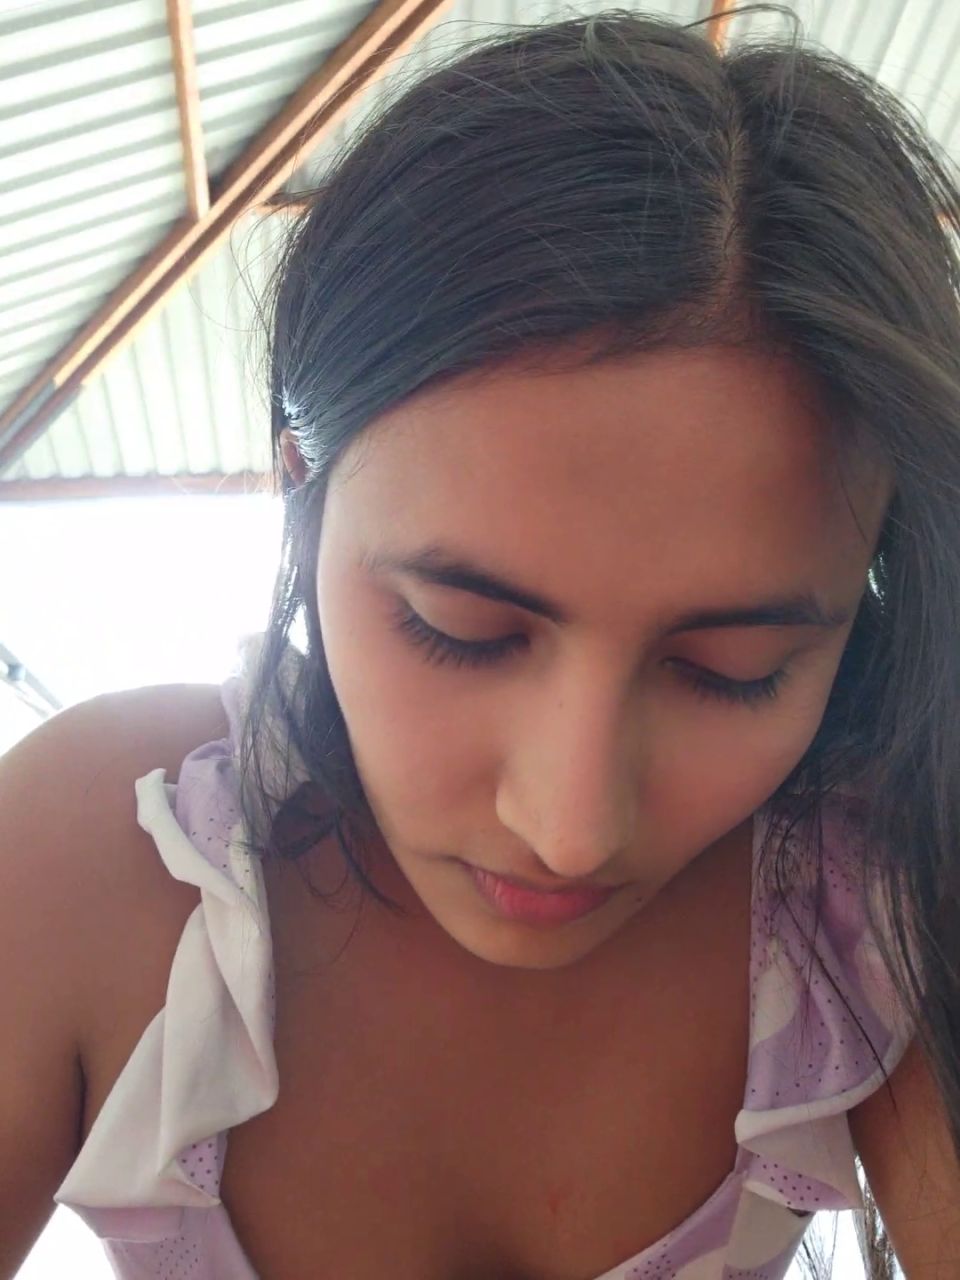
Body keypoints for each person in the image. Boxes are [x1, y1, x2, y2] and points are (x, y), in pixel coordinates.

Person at [3, 5, 960, 1278]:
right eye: (458, 631)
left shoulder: (878, 891)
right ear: (300, 491)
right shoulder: (105, 854)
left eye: (732, 671)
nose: (570, 827)